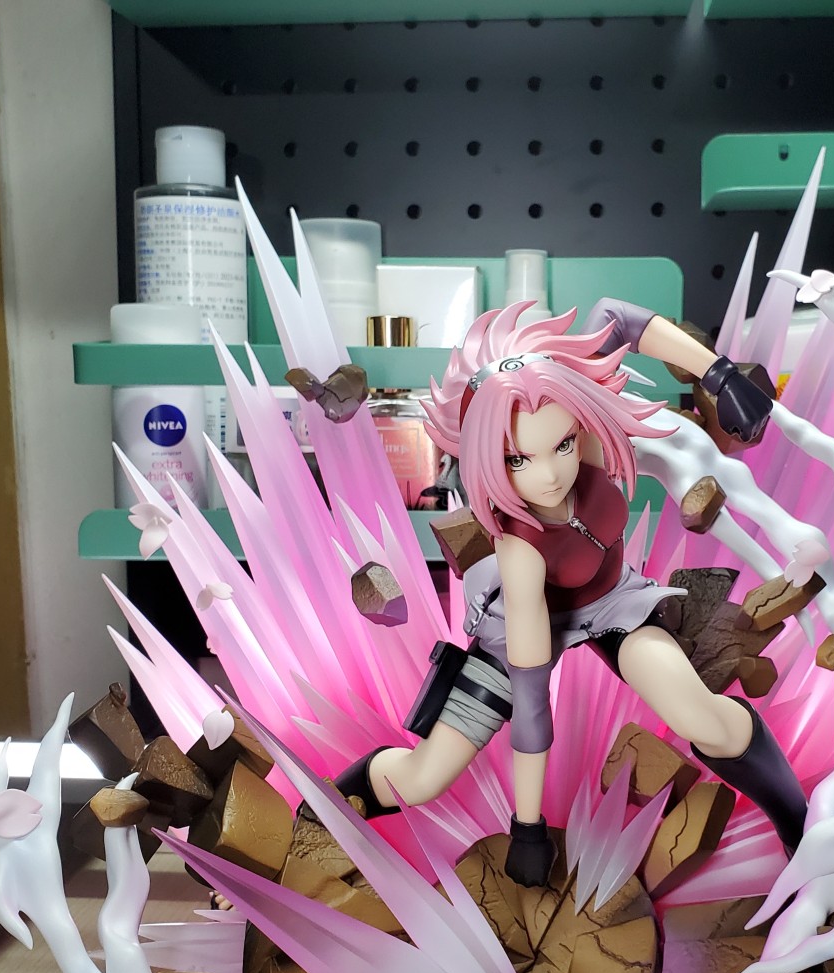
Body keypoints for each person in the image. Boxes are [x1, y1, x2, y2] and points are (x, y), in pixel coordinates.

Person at [333, 297, 807, 886]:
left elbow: (618, 317)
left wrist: (720, 374)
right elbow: (532, 699)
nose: (551, 475)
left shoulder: (584, 427)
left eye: (560, 445)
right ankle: (326, 811)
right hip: (521, 622)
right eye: (518, 460)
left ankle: (799, 825)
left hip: (611, 600)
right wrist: (528, 826)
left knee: (702, 718)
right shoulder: (522, 551)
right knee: (424, 778)